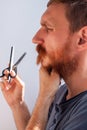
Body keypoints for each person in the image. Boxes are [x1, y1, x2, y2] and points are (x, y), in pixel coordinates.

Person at [1, 0, 87, 129]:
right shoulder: (61, 93)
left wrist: (44, 98)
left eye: (48, 28)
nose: (35, 39)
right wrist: (17, 104)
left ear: (82, 38)